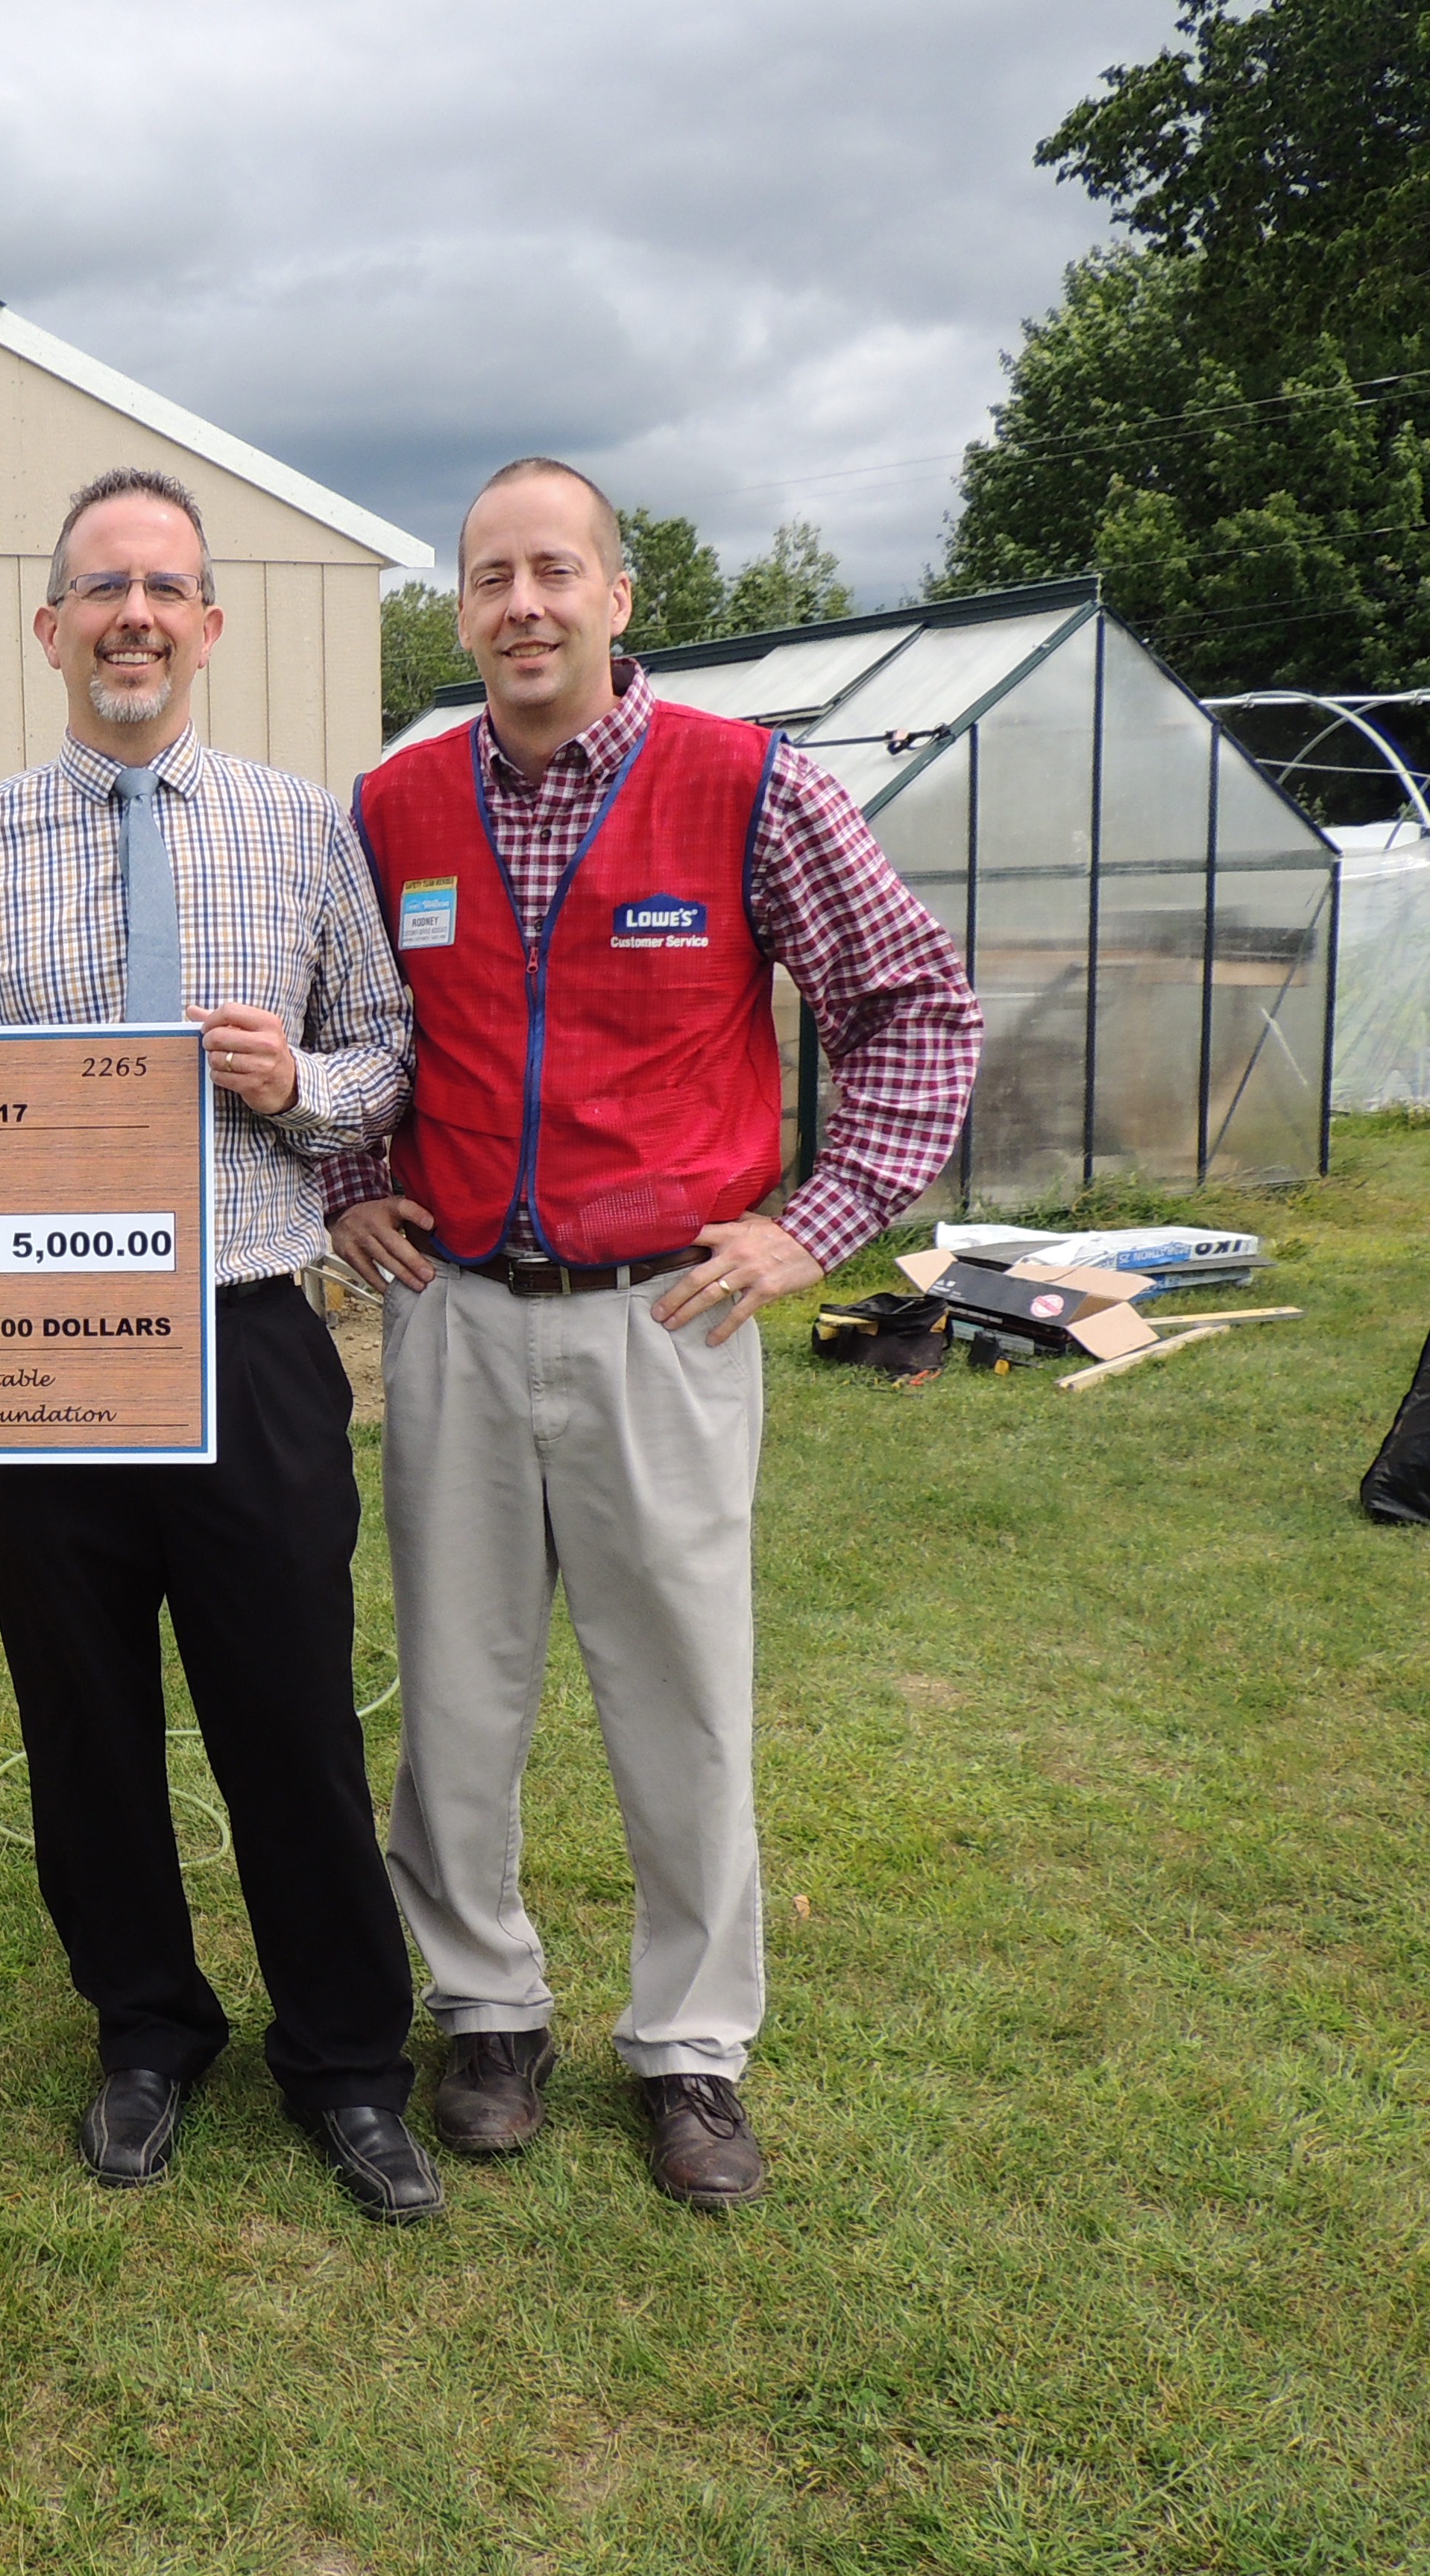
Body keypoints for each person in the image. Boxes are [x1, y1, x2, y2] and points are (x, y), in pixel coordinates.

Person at [327, 459, 982, 2209]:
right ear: (460, 610)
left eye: (555, 571)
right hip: (459, 1312)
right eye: (491, 577)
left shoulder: (748, 787)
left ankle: (690, 2043)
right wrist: (353, 1184)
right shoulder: (393, 806)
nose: (523, 604)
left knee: (679, 1695)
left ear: (617, 599)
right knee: (458, 1693)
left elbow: (915, 1007)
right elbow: (350, 1029)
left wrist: (814, 1225)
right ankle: (486, 2008)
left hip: (664, 1317)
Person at [0, 468, 441, 2223]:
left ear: (209, 624)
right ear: (51, 628)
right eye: (102, 588)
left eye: (165, 587)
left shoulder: (299, 830)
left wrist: (298, 1081)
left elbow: (390, 1050)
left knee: (291, 1712)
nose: (134, 615)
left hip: (246, 1332)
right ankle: (147, 2028)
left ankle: (346, 2063)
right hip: (35, 1352)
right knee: (83, 1718)